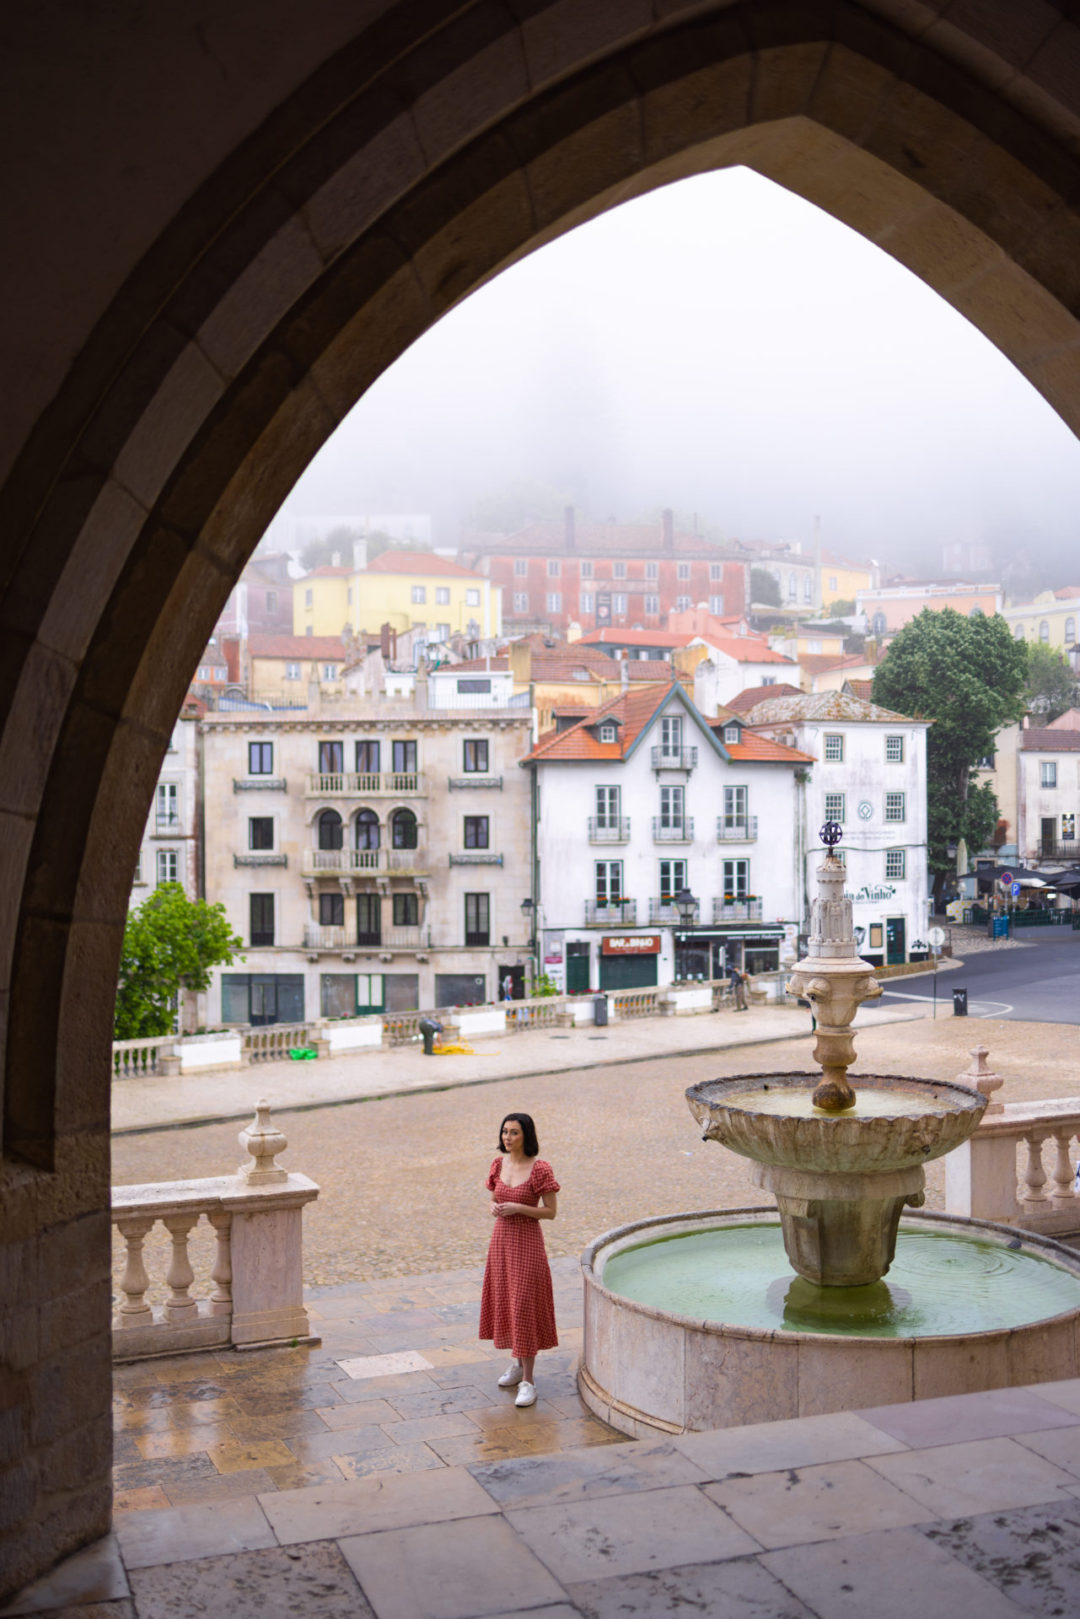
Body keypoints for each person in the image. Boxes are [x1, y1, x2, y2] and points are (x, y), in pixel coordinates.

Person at [479, 1112, 559, 1408]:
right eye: (504, 1132)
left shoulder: (540, 1169)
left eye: (513, 1133)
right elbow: (492, 1196)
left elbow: (551, 1212)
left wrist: (519, 1207)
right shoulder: (498, 1164)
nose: (507, 1138)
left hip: (527, 1242)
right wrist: (494, 1207)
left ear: (526, 1135)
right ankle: (516, 1363)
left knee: (524, 1304)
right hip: (501, 1241)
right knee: (508, 1300)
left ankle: (529, 1380)